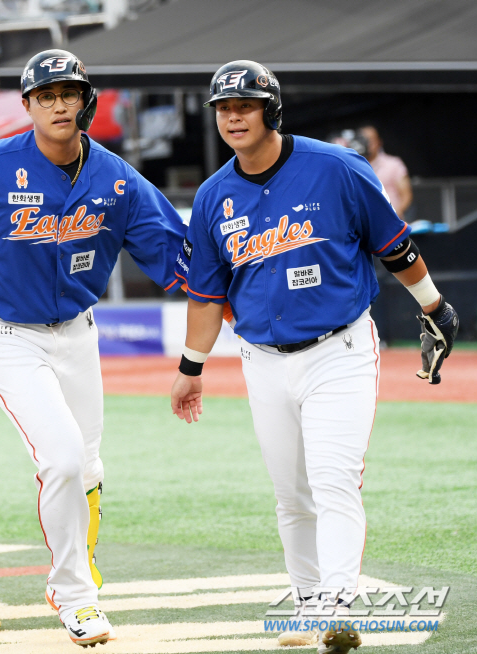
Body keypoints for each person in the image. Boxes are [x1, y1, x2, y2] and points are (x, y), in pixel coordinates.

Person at [170, 61, 459, 654]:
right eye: (223, 108)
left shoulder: (336, 168)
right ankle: (306, 602)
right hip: (262, 359)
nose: (232, 116)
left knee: (333, 483)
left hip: (340, 350)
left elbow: (395, 245)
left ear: (270, 109)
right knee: (290, 493)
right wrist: (190, 369)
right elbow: (206, 294)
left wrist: (435, 306)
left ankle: (338, 601)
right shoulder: (212, 196)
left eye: (244, 105)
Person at [0, 49, 186, 648]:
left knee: (87, 465)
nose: (59, 104)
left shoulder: (115, 175)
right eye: (46, 95)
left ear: (86, 101)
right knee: (59, 458)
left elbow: (174, 253)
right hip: (2, 331)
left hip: (78, 330)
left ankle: (82, 566)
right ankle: (75, 597)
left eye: (69, 93)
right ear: (26, 105)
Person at [360, 125, 413, 218]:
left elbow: (406, 195)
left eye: (371, 140)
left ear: (379, 142)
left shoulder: (393, 164)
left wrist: (396, 214)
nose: (367, 144)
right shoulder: (352, 166)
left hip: (390, 222)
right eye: (364, 140)